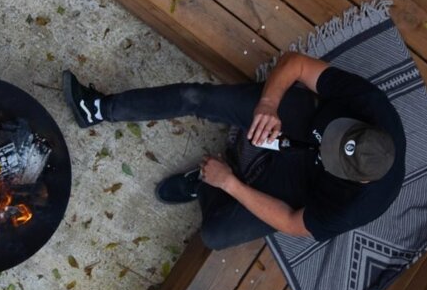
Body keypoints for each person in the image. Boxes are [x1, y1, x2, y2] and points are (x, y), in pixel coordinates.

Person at [61, 52, 405, 250]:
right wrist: (268, 104)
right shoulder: (371, 105)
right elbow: (297, 65)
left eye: (333, 150)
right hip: (301, 118)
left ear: (354, 181)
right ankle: (99, 109)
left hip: (303, 186)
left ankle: (207, 182)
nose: (329, 140)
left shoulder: (355, 208)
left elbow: (289, 221)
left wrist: (230, 185)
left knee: (215, 235)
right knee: (198, 98)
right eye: (338, 134)